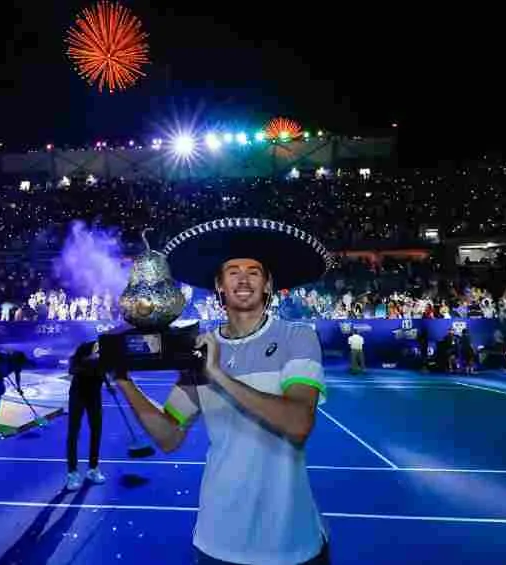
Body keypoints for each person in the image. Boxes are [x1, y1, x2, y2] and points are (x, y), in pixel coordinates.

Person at [117, 218, 332, 565]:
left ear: (268, 284)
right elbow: (169, 436)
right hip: (218, 541)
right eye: (232, 271)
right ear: (219, 285)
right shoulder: (201, 349)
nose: (243, 279)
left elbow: (299, 423)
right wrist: (124, 380)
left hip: (292, 543)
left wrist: (217, 374)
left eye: (253, 271)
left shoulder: (297, 337)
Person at [64, 341, 107, 491]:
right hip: (78, 395)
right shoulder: (81, 353)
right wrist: (92, 361)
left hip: (94, 396)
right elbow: (73, 370)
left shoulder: (104, 355)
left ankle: (93, 469)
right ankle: (72, 473)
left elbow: (104, 373)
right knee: (73, 433)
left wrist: (108, 384)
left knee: (96, 431)